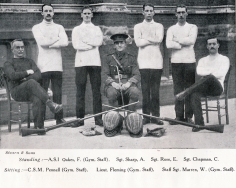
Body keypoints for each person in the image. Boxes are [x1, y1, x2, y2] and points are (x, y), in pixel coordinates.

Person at [3, 39, 63, 132]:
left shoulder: (29, 61)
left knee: (38, 97)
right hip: (17, 92)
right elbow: (12, 75)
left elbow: (38, 74)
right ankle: (50, 104)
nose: (20, 49)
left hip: (30, 90)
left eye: (22, 47)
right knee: (31, 82)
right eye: (17, 47)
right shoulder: (8, 63)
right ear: (12, 50)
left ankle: (39, 128)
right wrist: (27, 72)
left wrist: (25, 79)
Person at [175, 36, 230, 131]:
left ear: (218, 45)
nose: (212, 46)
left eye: (214, 44)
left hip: (217, 88)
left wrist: (209, 73)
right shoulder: (202, 60)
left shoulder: (224, 59)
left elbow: (221, 73)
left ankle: (185, 92)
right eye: (210, 44)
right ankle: (199, 124)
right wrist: (212, 72)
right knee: (194, 94)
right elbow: (199, 72)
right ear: (207, 47)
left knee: (210, 77)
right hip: (205, 88)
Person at [32, 4, 68, 125]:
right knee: (43, 93)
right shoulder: (36, 27)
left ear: (53, 13)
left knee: (58, 93)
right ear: (42, 13)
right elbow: (42, 43)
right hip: (43, 66)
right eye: (45, 11)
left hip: (57, 65)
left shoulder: (59, 27)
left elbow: (65, 42)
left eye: (50, 11)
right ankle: (40, 120)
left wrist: (50, 43)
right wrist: (56, 39)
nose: (48, 13)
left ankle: (59, 119)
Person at [71, 6, 103, 127]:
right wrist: (91, 45)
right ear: (81, 15)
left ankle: (98, 119)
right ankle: (79, 119)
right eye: (85, 13)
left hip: (95, 62)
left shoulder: (97, 29)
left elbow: (99, 42)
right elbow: (76, 45)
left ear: (92, 15)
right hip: (81, 63)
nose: (87, 15)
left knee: (96, 91)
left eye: (89, 13)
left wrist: (85, 42)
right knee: (80, 91)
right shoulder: (76, 29)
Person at [166, 4, 198, 124]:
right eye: (178, 12)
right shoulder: (171, 29)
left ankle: (189, 116)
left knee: (189, 89)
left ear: (186, 14)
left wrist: (176, 41)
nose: (181, 15)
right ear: (175, 14)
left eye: (183, 12)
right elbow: (168, 45)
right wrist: (183, 42)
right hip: (176, 62)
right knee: (178, 89)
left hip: (189, 61)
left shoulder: (192, 27)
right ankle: (179, 116)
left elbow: (191, 41)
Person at [134, 3, 164, 125]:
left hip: (156, 63)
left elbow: (159, 39)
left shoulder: (159, 26)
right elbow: (138, 43)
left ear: (154, 12)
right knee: (145, 91)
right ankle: (146, 117)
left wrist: (145, 39)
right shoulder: (138, 26)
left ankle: (156, 116)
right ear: (143, 12)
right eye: (146, 10)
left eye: (151, 10)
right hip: (144, 63)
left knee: (155, 92)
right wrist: (151, 39)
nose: (149, 13)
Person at [103, 33, 140, 112]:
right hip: (113, 85)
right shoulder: (108, 58)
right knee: (111, 93)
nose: (119, 45)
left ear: (125, 44)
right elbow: (104, 74)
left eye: (122, 43)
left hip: (127, 85)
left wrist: (128, 83)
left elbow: (137, 74)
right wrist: (113, 83)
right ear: (114, 45)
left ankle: (131, 117)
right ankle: (115, 118)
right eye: (117, 43)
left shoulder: (131, 58)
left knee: (135, 92)